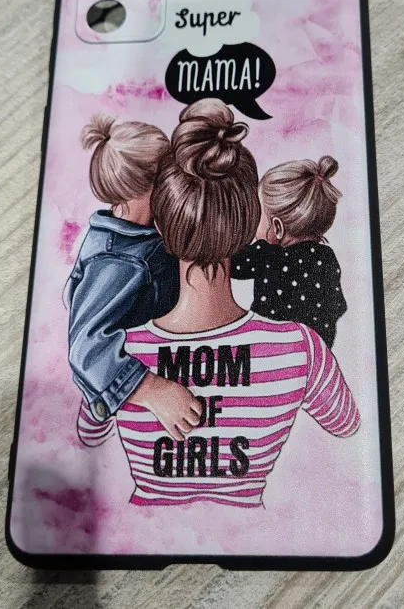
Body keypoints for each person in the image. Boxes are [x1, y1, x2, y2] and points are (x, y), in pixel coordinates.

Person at [77, 99, 359, 508]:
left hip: (143, 527)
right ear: (248, 225)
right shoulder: (302, 349)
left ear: (161, 223)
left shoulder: (115, 356)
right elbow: (347, 425)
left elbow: (88, 436)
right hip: (254, 532)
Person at [66, 114, 201, 440]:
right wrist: (154, 391)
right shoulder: (118, 262)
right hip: (121, 391)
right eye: (169, 176)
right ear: (145, 187)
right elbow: (85, 348)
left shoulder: (141, 234)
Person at [230, 157, 347, 348]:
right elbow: (337, 306)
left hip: (273, 350)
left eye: (257, 215)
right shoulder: (327, 257)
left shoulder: (267, 254)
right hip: (316, 351)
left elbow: (229, 262)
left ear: (277, 227)